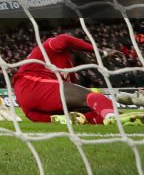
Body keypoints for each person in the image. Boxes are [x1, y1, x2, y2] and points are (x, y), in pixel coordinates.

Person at [14, 32, 144, 125]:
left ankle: (121, 117)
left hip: (31, 104)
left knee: (89, 110)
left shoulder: (69, 71)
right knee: (92, 97)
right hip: (32, 84)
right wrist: (101, 52)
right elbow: (65, 39)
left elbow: (30, 112)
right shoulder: (50, 48)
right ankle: (113, 116)